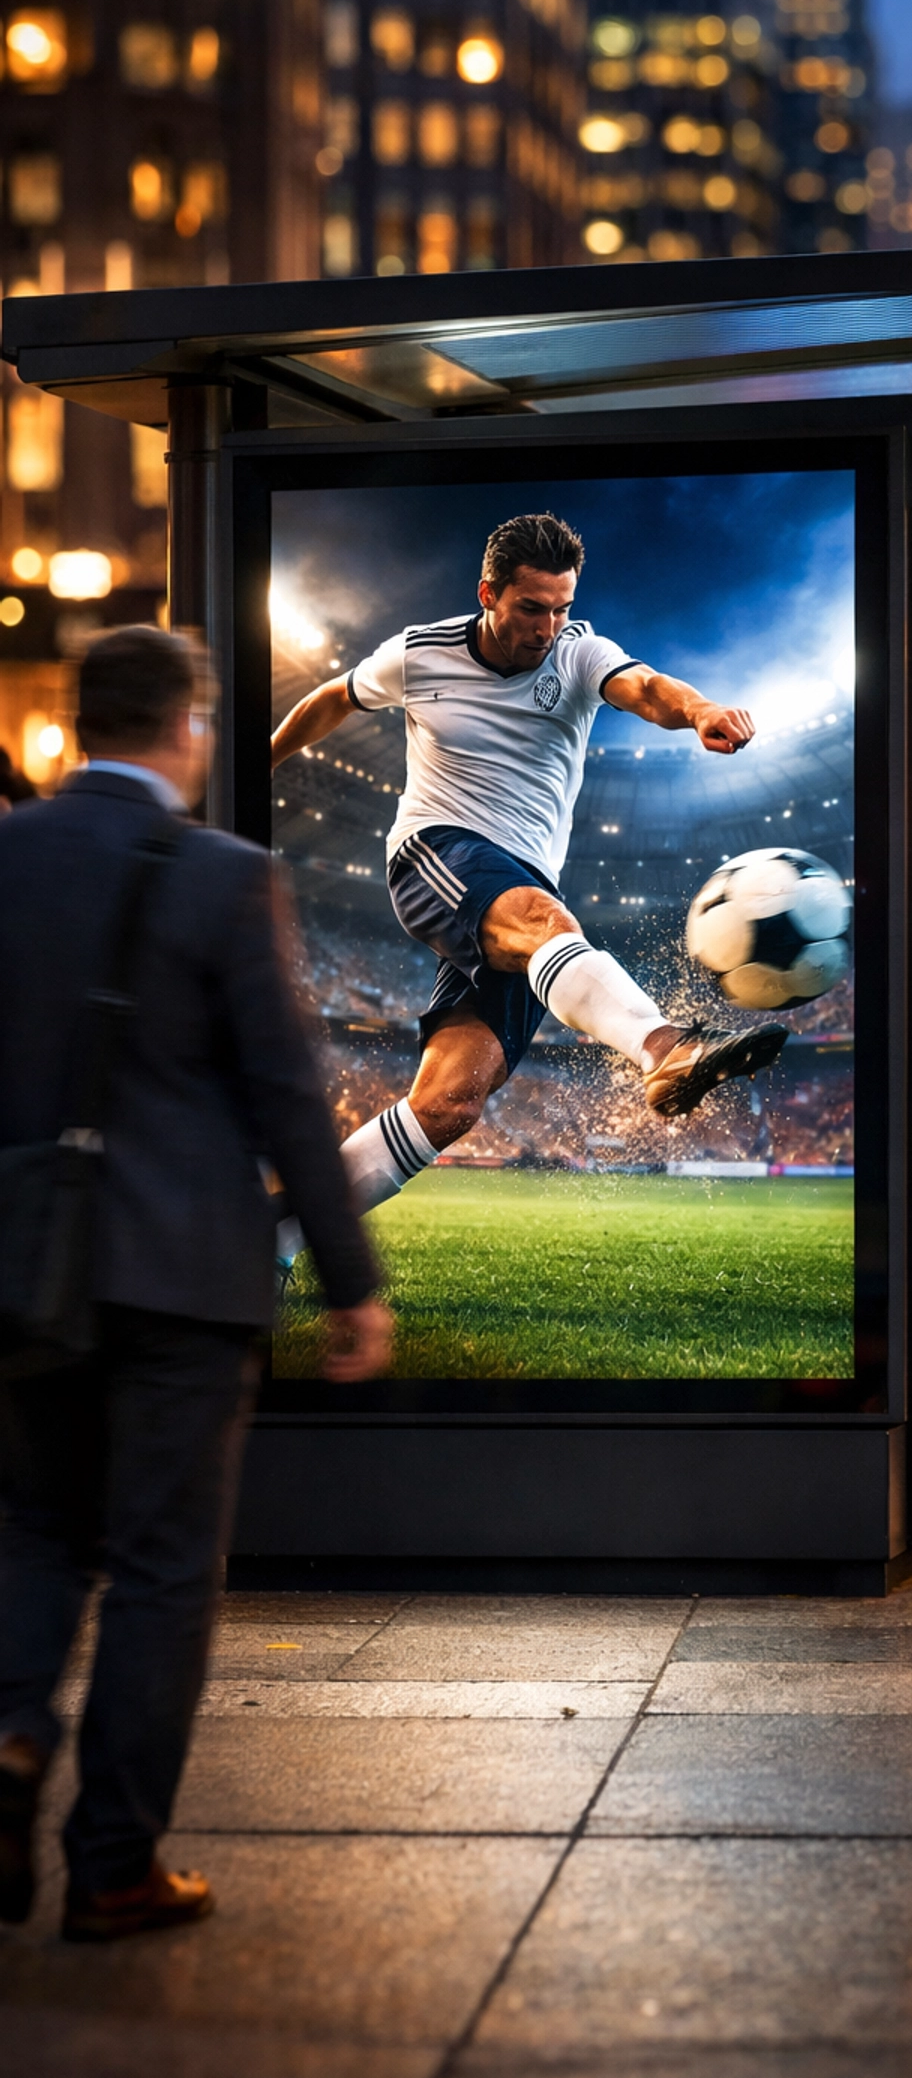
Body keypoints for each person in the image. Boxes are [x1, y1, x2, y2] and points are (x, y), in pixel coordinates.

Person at [0, 626, 393, 1943]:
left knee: (36, 1530)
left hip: (26, 1273)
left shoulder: (6, 858)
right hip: (185, 1277)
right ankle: (114, 1867)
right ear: (187, 726)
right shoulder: (225, 875)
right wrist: (350, 1277)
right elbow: (285, 1094)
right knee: (164, 1568)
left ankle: (7, 1736)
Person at [270, 512, 787, 1259]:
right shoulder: (420, 654)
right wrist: (262, 760)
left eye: (562, 607)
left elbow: (644, 687)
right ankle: (664, 1046)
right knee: (547, 922)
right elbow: (334, 698)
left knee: (449, 1104)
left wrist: (700, 710)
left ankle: (279, 1239)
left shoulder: (579, 653)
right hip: (435, 853)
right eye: (531, 607)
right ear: (489, 594)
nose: (549, 625)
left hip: (519, 897)